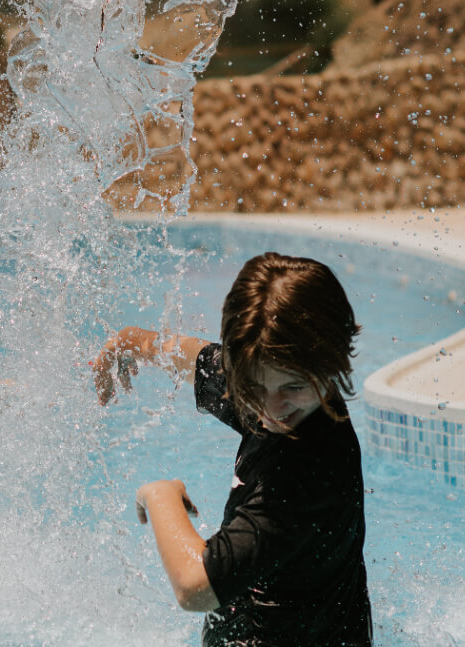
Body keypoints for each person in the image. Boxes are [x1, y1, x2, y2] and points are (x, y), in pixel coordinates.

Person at [94, 252, 372, 646]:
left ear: (335, 359)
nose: (271, 410)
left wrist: (161, 496)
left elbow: (194, 588)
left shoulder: (303, 479)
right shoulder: (285, 385)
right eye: (254, 387)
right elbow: (198, 359)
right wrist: (131, 342)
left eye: (291, 387)